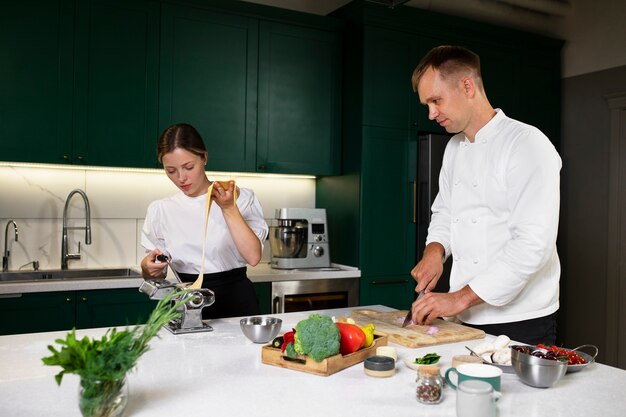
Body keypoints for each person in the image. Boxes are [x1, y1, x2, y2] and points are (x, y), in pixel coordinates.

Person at [408, 45, 561, 345]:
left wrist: (456, 300)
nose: (430, 114)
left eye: (436, 100)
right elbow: (445, 213)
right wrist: (434, 252)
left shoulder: (527, 144)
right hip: (468, 318)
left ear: (467, 86)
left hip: (522, 321)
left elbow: (532, 245)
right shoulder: (453, 149)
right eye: (427, 104)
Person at [140, 123, 268, 319]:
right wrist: (148, 269)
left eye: (188, 167)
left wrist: (228, 208)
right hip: (187, 307)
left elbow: (253, 257)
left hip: (237, 305)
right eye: (171, 171)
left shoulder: (238, 198)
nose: (181, 178)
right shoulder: (161, 210)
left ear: (205, 158)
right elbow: (157, 275)